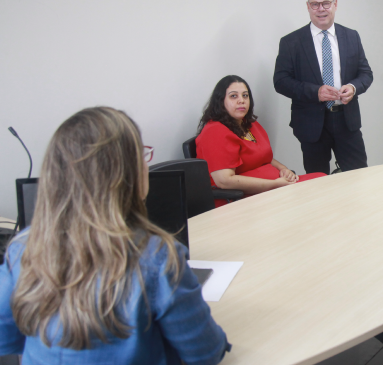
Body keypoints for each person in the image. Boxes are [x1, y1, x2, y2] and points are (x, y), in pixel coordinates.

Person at [0, 107, 230, 364]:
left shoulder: (21, 248)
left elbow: (7, 341)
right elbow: (206, 353)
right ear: (125, 175)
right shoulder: (156, 257)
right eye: (142, 155)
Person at [273, 0, 373, 175]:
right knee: (317, 182)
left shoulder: (351, 36)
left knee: (359, 176)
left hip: (347, 120)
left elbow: (366, 73)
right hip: (311, 123)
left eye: (326, 3)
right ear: (308, 7)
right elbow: (281, 81)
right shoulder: (291, 42)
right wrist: (315, 92)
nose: (321, 9)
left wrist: (353, 87)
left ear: (335, 4)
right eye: (315, 4)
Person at [196, 75, 325, 207]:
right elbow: (225, 181)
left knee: (322, 180)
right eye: (233, 96)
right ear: (220, 101)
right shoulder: (215, 131)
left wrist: (284, 169)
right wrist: (275, 185)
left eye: (245, 96)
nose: (241, 101)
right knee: (319, 193)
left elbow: (264, 157)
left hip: (274, 188)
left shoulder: (248, 124)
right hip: (244, 199)